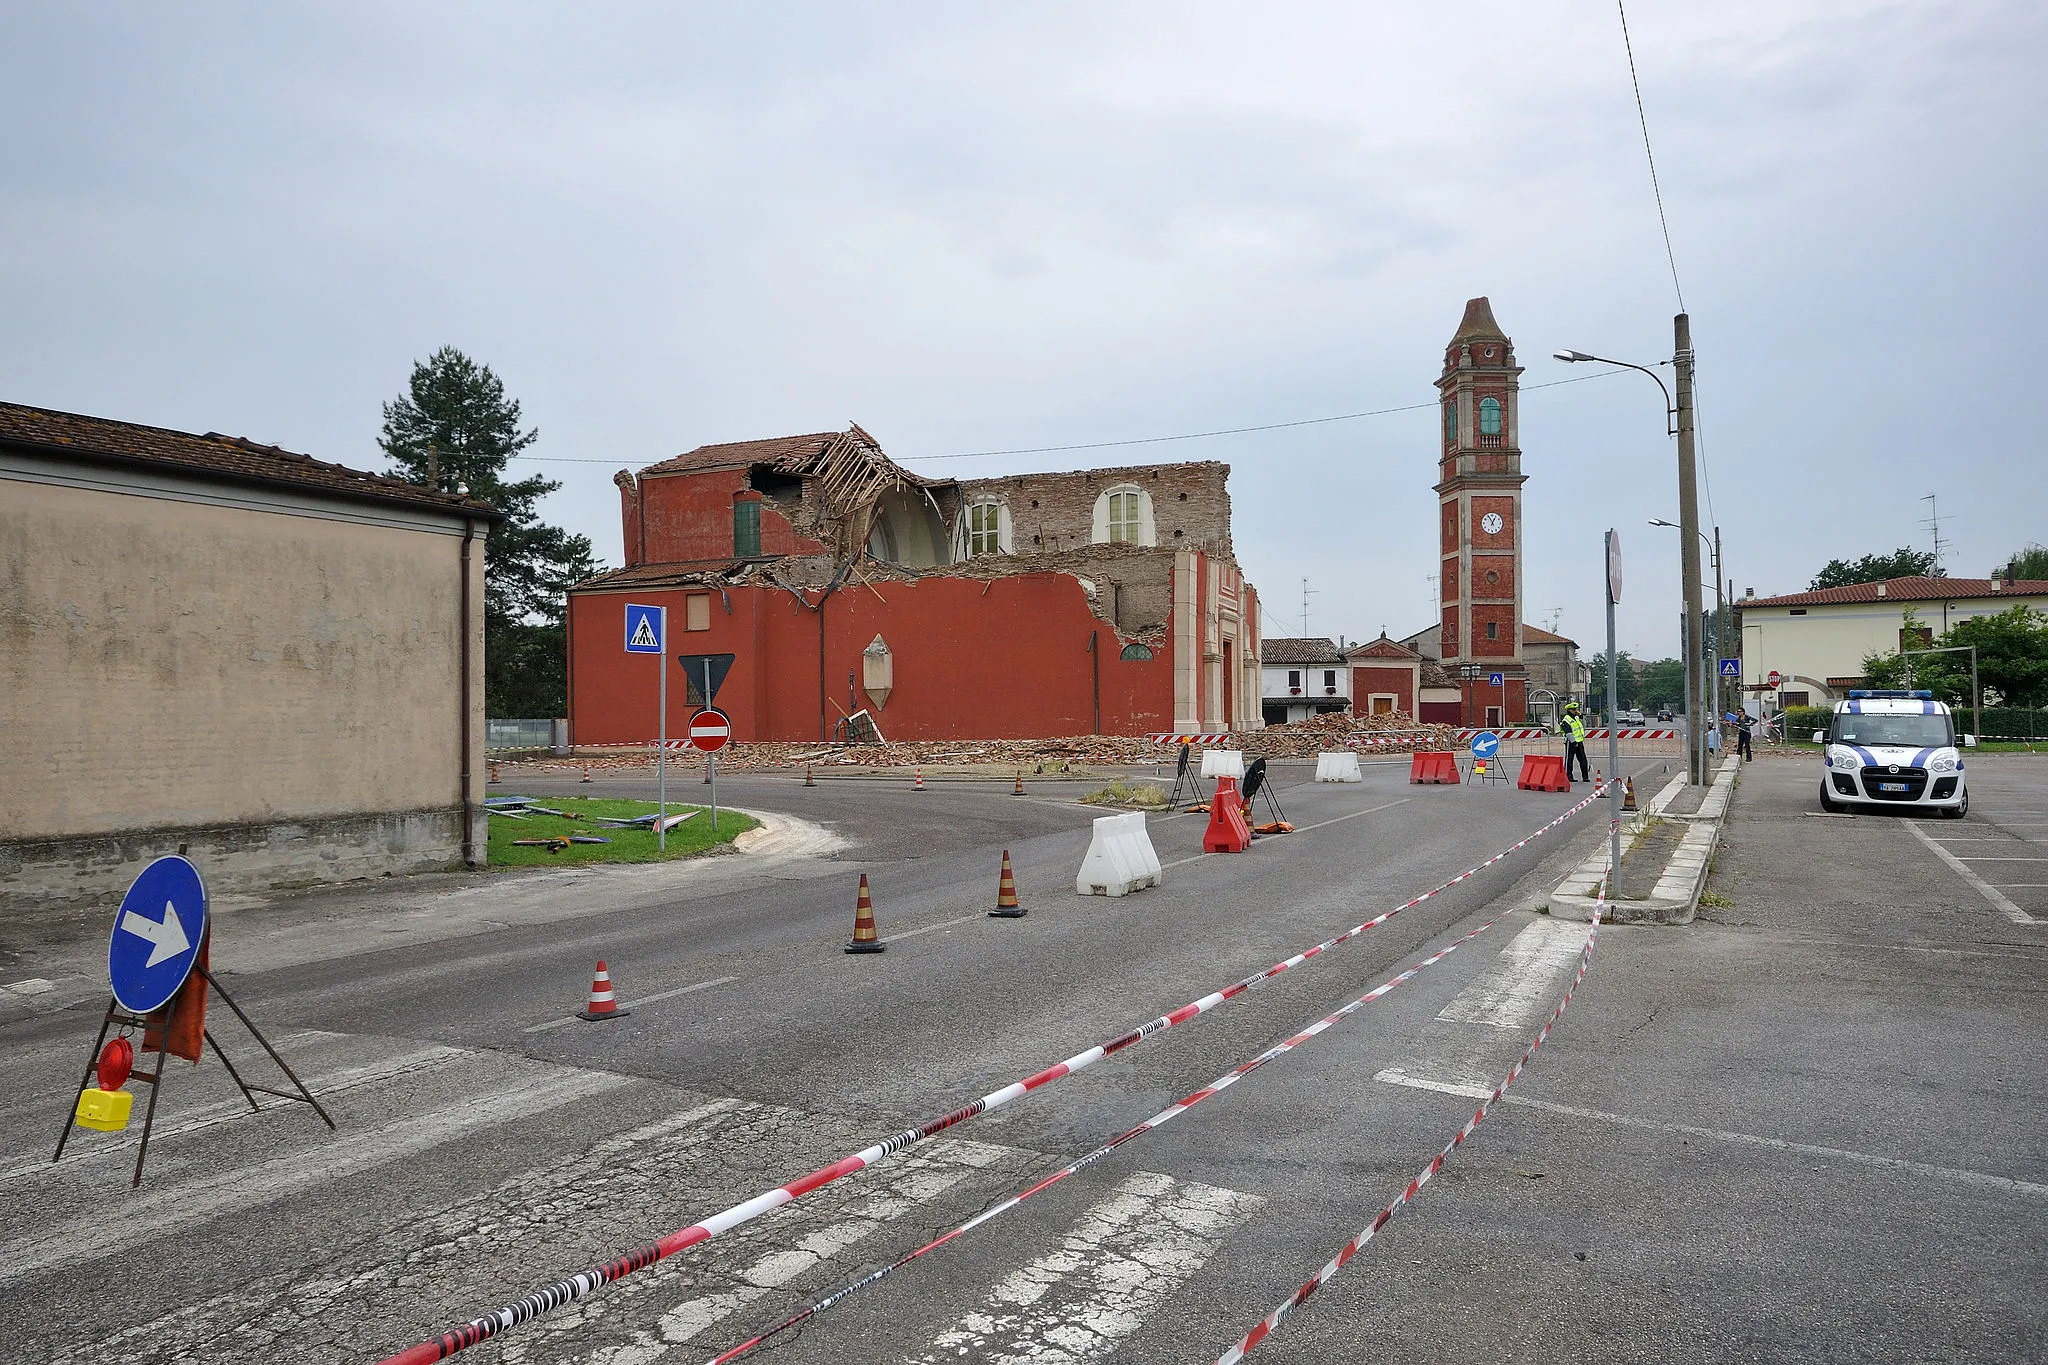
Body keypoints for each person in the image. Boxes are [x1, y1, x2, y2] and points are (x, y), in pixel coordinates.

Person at [1561, 701, 1591, 783]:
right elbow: (1568, 732)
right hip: (1570, 742)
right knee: (1569, 760)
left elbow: (1583, 725)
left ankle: (1585, 777)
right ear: (1569, 710)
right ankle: (1569, 776)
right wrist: (1574, 742)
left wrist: (1580, 715)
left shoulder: (1576, 718)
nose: (1575, 711)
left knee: (1583, 759)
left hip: (1579, 741)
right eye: (1573, 709)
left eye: (1576, 709)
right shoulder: (1566, 720)